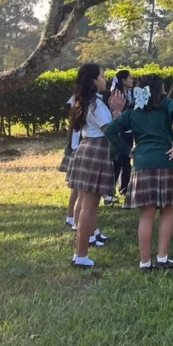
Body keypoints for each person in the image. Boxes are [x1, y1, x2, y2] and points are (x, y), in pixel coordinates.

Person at [104, 75, 173, 271]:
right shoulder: (167, 104)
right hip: (166, 162)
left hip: (142, 164)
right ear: (160, 89)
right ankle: (162, 258)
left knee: (146, 215)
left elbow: (110, 130)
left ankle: (144, 263)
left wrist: (127, 151)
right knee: (167, 212)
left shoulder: (134, 111)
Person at [66, 64, 125, 268]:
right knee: (88, 207)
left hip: (86, 148)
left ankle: (88, 242)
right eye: (102, 76)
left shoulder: (87, 101)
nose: (105, 79)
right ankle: (80, 256)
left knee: (87, 204)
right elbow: (109, 130)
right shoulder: (96, 105)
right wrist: (117, 112)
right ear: (93, 80)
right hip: (96, 151)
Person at [105, 70, 135, 201]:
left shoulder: (132, 93)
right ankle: (109, 191)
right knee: (117, 162)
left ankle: (124, 188)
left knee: (127, 161)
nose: (132, 80)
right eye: (130, 78)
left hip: (129, 131)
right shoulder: (116, 95)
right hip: (119, 131)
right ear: (123, 80)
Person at [59, 96, 81, 227]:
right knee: (77, 188)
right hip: (77, 150)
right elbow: (75, 136)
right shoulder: (79, 108)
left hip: (77, 149)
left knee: (78, 188)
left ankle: (71, 217)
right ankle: (71, 217)